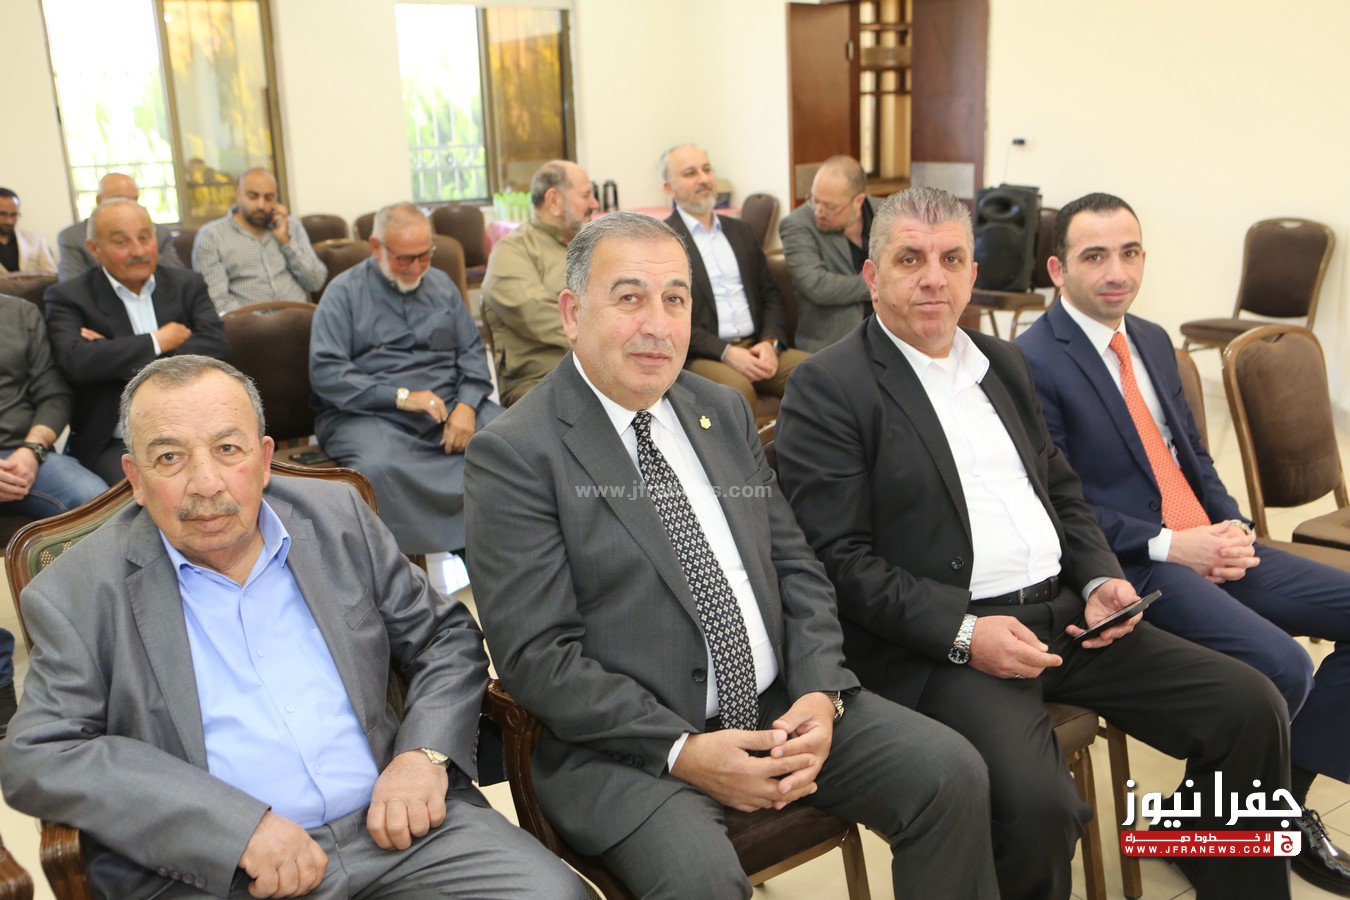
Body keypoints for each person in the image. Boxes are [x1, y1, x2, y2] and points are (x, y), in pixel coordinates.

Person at [774, 186, 1292, 900]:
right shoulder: (829, 387)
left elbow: (1063, 493)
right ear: (872, 275)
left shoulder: (1004, 364)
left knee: (1252, 706)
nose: (933, 279)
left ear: (972, 271)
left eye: (951, 259)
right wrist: (966, 633)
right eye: (910, 259)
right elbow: (839, 562)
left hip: (1069, 619)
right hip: (952, 645)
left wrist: (1100, 577)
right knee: (1040, 810)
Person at [464, 211, 998, 900]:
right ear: (572, 313)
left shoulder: (720, 409)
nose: (657, 325)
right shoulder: (515, 454)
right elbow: (540, 657)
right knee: (701, 882)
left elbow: (796, 566)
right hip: (629, 748)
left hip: (781, 703)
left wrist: (818, 688)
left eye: (675, 299)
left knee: (952, 774)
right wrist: (683, 750)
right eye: (629, 299)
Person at [0, 355, 586, 899]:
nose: (206, 483)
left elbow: (445, 637)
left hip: (403, 830)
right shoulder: (75, 590)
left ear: (263, 457)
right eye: (170, 457)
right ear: (134, 475)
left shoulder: (336, 517)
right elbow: (40, 754)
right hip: (225, 873)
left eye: (227, 449)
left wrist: (424, 755)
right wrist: (235, 828)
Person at [1015, 191, 1350, 895]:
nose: (1117, 272)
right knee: (1284, 665)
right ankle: (1236, 830)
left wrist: (1233, 525)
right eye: (1095, 256)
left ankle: (1243, 818)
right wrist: (1173, 545)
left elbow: (1191, 454)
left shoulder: (1150, 338)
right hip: (1135, 564)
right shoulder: (1033, 361)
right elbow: (1059, 503)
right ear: (1058, 269)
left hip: (1205, 542)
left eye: (1130, 252)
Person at [311, 202, 500, 557]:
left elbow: (472, 354)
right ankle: (398, 574)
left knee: (506, 442)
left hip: (448, 406)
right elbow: (327, 373)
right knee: (378, 467)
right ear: (376, 247)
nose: (416, 268)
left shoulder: (441, 285)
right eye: (404, 259)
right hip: (371, 413)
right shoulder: (343, 293)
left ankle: (492, 556)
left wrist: (467, 405)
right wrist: (400, 397)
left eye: (424, 256)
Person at [44, 198, 230, 485]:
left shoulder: (187, 284)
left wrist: (118, 356)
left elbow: (217, 346)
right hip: (119, 441)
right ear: (94, 249)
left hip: (196, 427)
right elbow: (76, 361)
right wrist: (158, 340)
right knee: (155, 493)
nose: (139, 251)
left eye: (145, 238)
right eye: (122, 242)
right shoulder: (69, 297)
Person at [0, 292, 109, 738]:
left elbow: (53, 392)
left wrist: (32, 449)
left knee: (95, 502)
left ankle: (95, 651)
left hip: (25, 450)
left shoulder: (19, 313)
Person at [660, 144, 809, 410]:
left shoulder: (741, 231)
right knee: (737, 394)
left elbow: (771, 294)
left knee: (817, 373)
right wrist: (725, 352)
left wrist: (770, 342)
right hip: (704, 354)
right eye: (690, 173)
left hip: (757, 345)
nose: (703, 179)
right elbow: (667, 316)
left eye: (707, 169)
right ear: (669, 189)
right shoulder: (663, 241)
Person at [480, 159, 598, 405]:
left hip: (602, 370)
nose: (594, 204)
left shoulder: (593, 247)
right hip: (543, 380)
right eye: (586, 195)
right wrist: (606, 337)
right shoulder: (513, 250)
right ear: (553, 200)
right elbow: (536, 315)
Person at [778, 155, 879, 351]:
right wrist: (880, 284)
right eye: (814, 200)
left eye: (830, 206)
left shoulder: (887, 212)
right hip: (832, 344)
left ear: (858, 201)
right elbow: (816, 285)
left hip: (892, 334)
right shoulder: (797, 224)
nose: (818, 211)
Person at [193, 167, 327, 313]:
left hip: (299, 318)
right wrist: (260, 323)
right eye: (253, 196)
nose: (261, 205)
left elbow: (316, 282)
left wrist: (286, 241)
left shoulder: (291, 226)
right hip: (249, 323)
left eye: (268, 198)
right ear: (238, 194)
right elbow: (217, 301)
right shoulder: (212, 236)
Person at [56, 172, 184, 281]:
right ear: (99, 200)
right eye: (119, 200)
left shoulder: (159, 233)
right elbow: (71, 284)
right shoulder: (73, 237)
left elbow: (177, 278)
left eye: (134, 200)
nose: (129, 206)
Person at [0, 188, 56, 275]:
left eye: (14, 215)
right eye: (2, 214)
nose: (9, 221)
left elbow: (51, 275)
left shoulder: (36, 241)